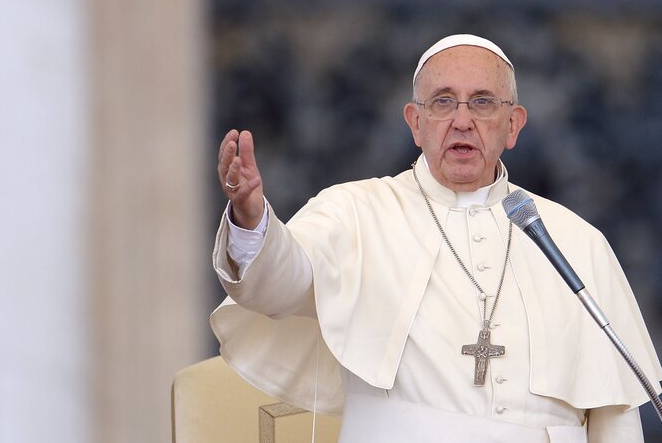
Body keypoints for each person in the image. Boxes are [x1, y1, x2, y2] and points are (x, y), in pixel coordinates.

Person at [210, 34, 662, 442]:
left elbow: (614, 413)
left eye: (483, 102)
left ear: (513, 125)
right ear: (415, 122)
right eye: (443, 102)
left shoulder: (576, 240)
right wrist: (251, 219)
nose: (462, 120)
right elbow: (280, 284)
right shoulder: (354, 212)